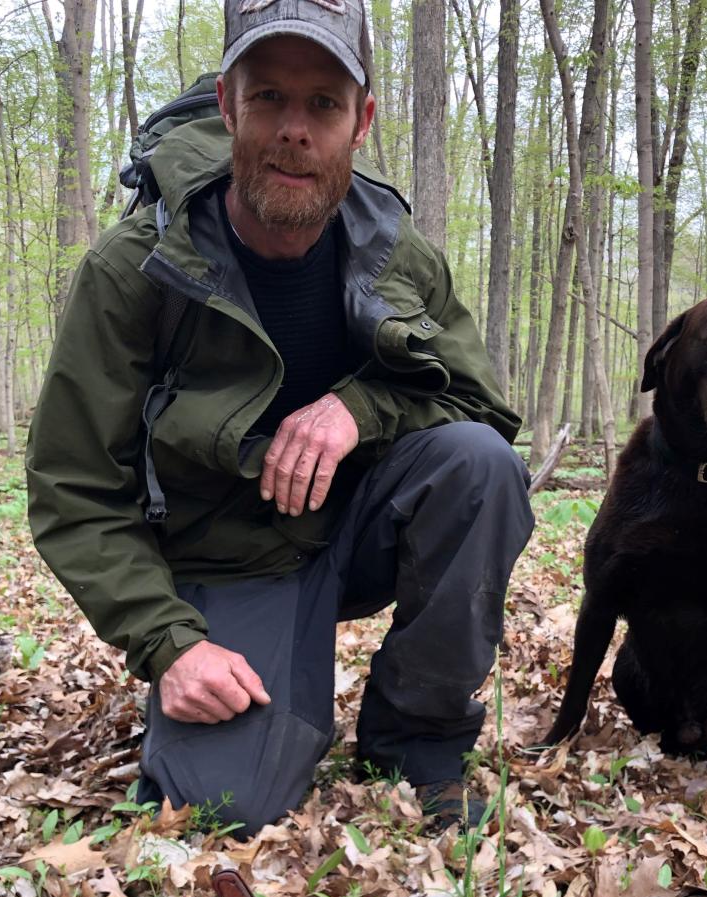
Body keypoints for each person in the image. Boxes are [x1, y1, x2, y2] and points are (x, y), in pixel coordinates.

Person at [26, 0, 533, 836]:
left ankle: (418, 742)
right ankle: (245, 692)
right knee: (228, 809)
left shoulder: (396, 252)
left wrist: (357, 410)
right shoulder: (138, 268)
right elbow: (74, 488)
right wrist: (169, 644)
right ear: (227, 106)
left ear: (360, 121)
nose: (294, 130)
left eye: (323, 104)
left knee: (478, 463)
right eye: (269, 99)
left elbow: (480, 403)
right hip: (228, 566)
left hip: (360, 528)